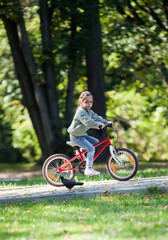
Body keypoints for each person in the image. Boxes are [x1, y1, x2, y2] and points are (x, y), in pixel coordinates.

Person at [67, 91, 113, 177]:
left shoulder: (88, 111)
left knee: (96, 142)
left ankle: (80, 151)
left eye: (90, 102)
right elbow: (88, 122)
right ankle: (88, 169)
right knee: (91, 149)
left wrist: (106, 122)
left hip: (82, 135)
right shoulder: (81, 112)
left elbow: (96, 117)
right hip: (76, 137)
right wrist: (98, 125)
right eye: (86, 102)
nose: (89, 104)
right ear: (81, 102)